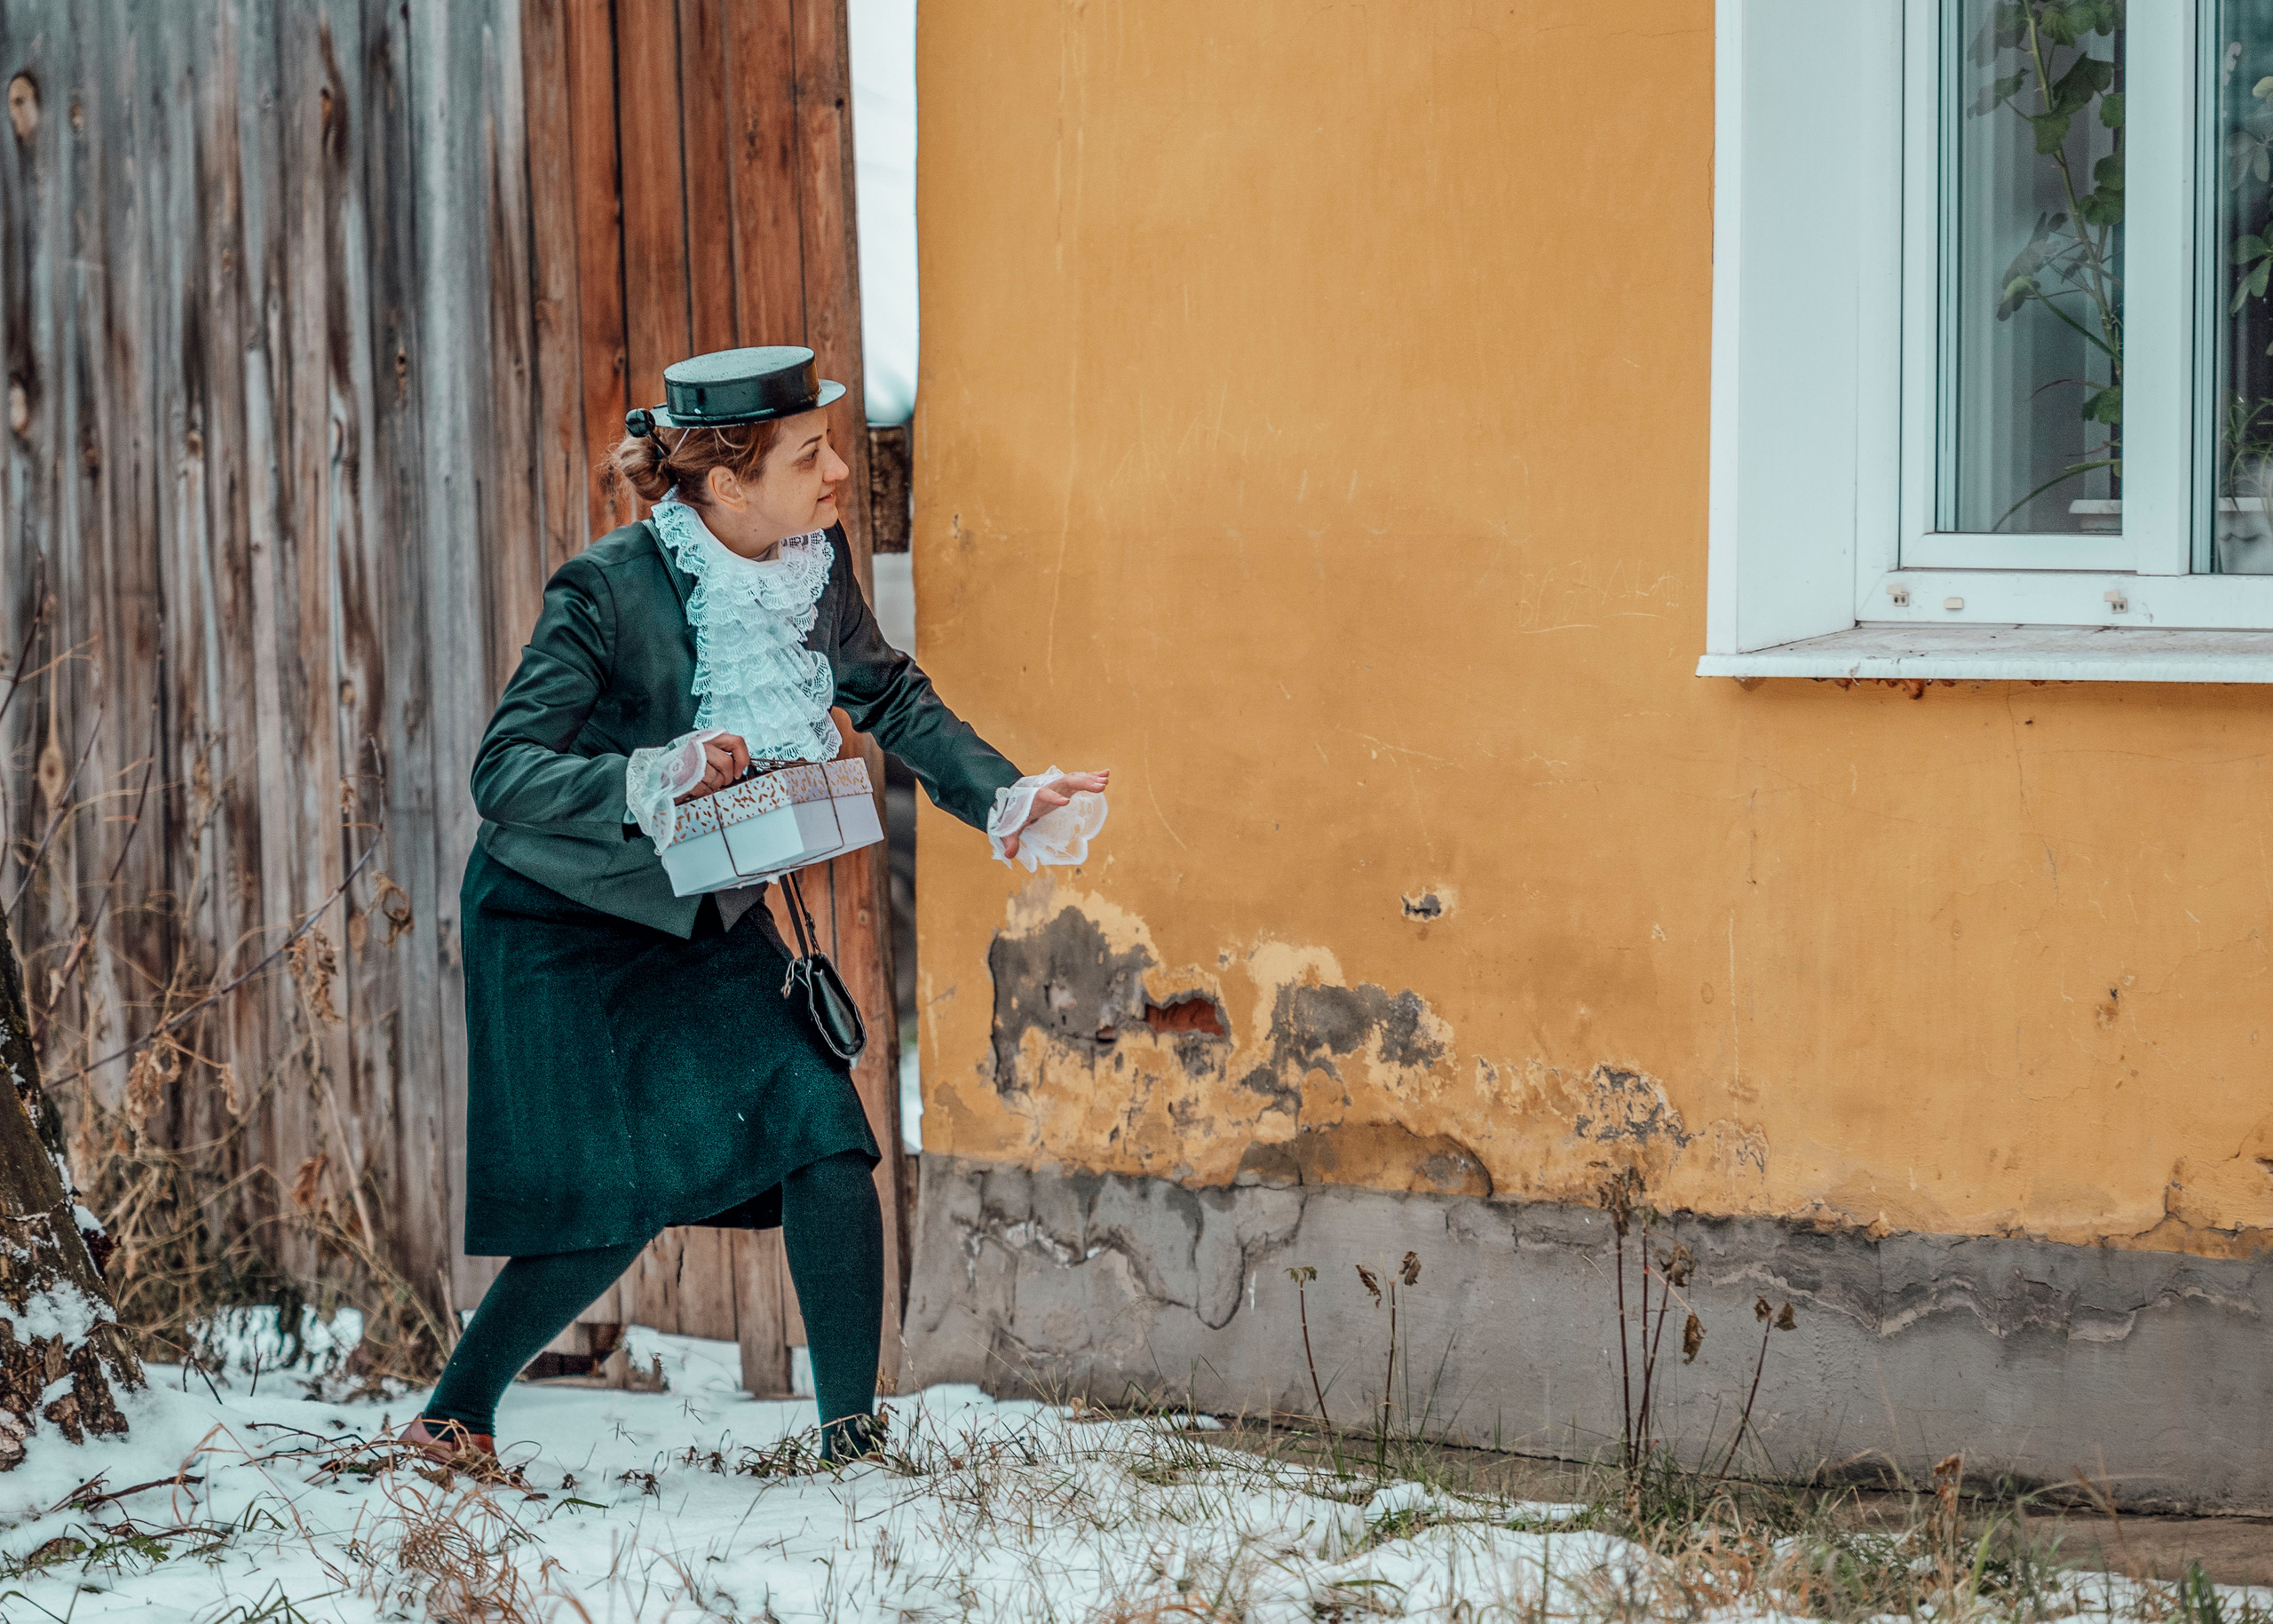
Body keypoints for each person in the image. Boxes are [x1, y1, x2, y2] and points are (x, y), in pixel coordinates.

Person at [399, 346, 1106, 1464]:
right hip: (561, 918)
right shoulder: (609, 587)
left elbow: (892, 695)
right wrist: (652, 773)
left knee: (822, 1132)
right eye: (808, 455)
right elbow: (505, 774)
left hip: (702, 911)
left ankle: (851, 1445)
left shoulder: (809, 569)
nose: (836, 474)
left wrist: (1006, 797)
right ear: (726, 484)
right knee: (609, 1196)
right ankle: (451, 1418)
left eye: (828, 446)